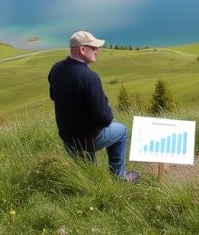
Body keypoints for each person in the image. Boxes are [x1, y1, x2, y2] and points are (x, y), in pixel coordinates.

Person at [48, 30, 138, 181]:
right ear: (82, 50)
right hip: (88, 139)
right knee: (121, 131)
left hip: (68, 139)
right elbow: (105, 119)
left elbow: (53, 96)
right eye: (94, 48)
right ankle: (118, 178)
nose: (97, 51)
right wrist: (108, 109)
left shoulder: (56, 69)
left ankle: (91, 183)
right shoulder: (89, 77)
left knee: (90, 176)